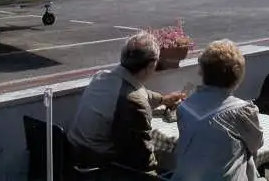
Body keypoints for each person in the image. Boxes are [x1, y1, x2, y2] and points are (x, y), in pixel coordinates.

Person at [67, 31, 185, 175]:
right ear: (150, 66)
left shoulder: (101, 76)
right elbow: (143, 161)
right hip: (98, 168)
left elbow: (137, 91)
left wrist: (163, 99)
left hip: (73, 158)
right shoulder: (135, 103)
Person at [171, 39, 265, 181]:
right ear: (237, 76)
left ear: (203, 72)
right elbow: (256, 144)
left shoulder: (184, 108)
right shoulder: (242, 111)